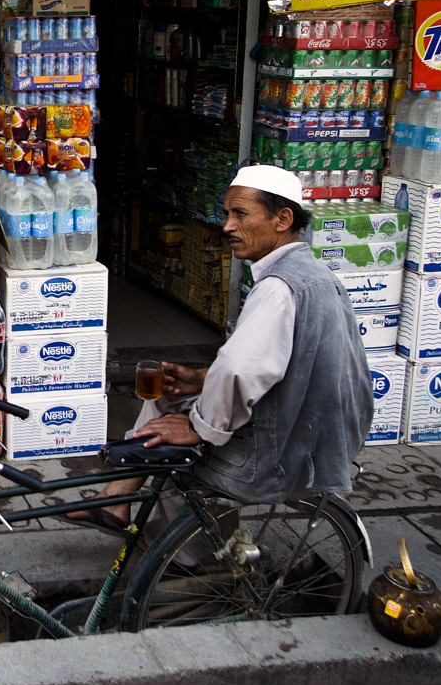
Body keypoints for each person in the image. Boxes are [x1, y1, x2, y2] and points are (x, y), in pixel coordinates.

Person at [67, 165, 373, 531]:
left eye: (240, 214)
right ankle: (115, 502)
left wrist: (199, 428)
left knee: (174, 434)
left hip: (283, 453)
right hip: (311, 439)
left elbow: (240, 369)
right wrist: (200, 378)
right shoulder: (316, 276)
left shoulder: (280, 288)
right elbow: (274, 364)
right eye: (228, 213)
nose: (227, 226)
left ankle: (187, 558)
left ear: (283, 219)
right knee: (165, 398)